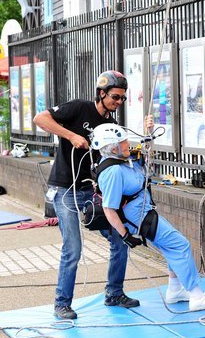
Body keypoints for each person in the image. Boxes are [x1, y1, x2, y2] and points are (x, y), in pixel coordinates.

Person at [33, 70, 139, 320]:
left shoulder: (111, 125)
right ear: (101, 93)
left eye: (122, 99)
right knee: (73, 248)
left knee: (119, 237)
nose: (118, 103)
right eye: (115, 97)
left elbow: (117, 154)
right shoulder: (78, 108)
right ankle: (62, 303)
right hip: (65, 190)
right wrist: (71, 136)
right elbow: (40, 118)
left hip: (90, 189)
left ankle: (114, 293)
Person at [92, 123, 205, 312]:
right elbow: (109, 208)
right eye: (123, 142)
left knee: (171, 247)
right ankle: (196, 295)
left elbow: (146, 153)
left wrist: (149, 133)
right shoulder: (113, 171)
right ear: (113, 147)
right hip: (137, 218)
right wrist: (125, 236)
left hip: (144, 211)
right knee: (180, 245)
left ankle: (175, 290)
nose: (128, 144)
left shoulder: (122, 160)